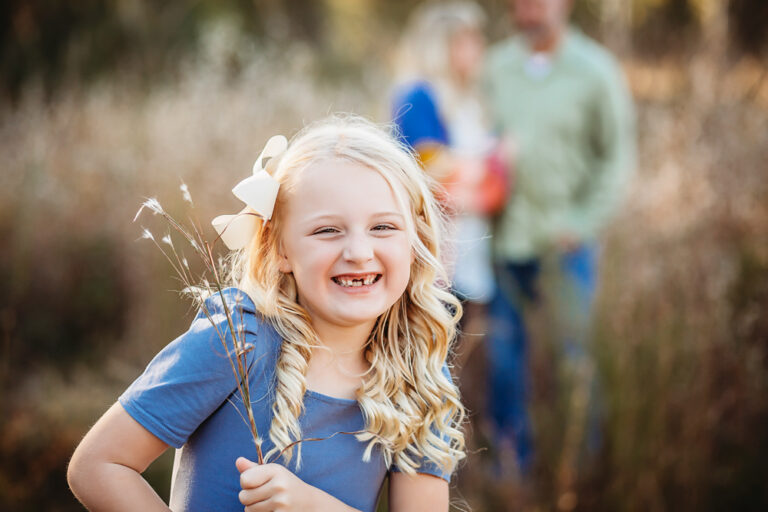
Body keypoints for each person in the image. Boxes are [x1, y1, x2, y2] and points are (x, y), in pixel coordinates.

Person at [67, 114, 466, 512]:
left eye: (382, 227)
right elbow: (99, 465)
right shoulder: (238, 340)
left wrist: (312, 506)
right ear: (280, 249)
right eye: (328, 230)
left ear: (415, 241)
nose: (359, 252)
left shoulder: (418, 375)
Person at [482, 0, 636, 476]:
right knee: (504, 358)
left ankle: (583, 465)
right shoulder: (494, 68)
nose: (529, 10)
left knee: (574, 358)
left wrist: (583, 221)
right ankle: (512, 462)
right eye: (520, 3)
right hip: (504, 243)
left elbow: (617, 157)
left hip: (566, 246)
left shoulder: (596, 72)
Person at [390, 2, 506, 357]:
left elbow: (498, 177)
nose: (478, 48)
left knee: (462, 349)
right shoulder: (417, 96)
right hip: (437, 248)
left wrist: (485, 178)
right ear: (442, 45)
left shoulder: (473, 101)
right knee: (433, 350)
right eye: (467, 40)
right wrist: (484, 170)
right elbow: (431, 174)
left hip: (474, 241)